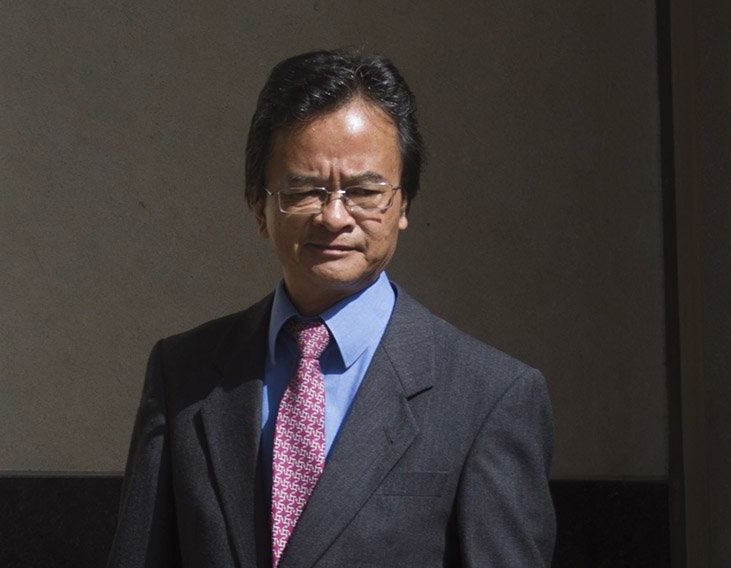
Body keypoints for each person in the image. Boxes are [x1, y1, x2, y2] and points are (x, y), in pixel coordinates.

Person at [107, 48, 555, 568]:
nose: (334, 217)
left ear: (404, 203)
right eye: (306, 191)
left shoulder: (489, 396)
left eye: (364, 191)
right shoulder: (183, 374)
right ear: (259, 206)